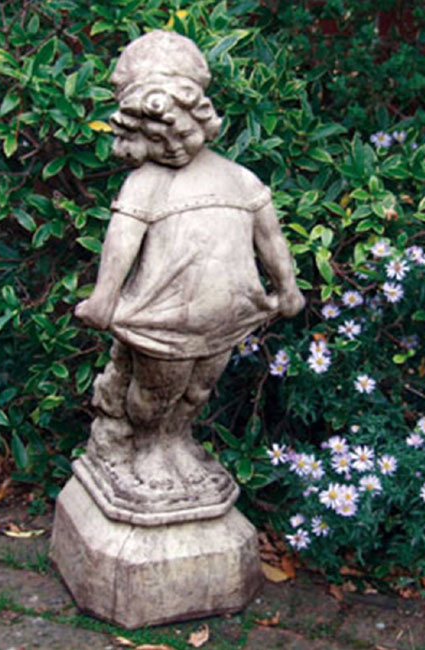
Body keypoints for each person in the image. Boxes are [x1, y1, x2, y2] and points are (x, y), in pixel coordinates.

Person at [74, 30, 304, 509]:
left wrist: (287, 286)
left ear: (203, 118)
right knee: (156, 393)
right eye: (157, 139)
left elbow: (270, 237)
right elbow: (121, 241)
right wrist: (104, 297)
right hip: (165, 320)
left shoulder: (238, 179)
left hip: (226, 316)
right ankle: (147, 447)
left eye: (182, 133)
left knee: (199, 389)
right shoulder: (145, 184)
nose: (174, 145)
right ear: (137, 138)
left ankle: (176, 440)